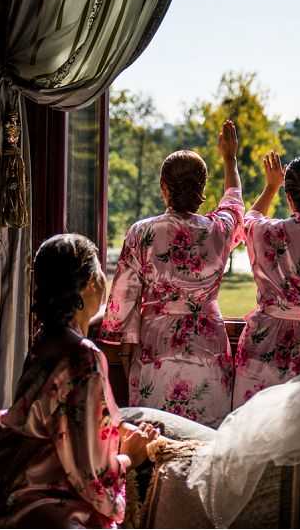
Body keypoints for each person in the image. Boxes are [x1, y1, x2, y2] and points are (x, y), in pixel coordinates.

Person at [0, 234, 158, 529]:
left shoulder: (45, 342)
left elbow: (54, 419)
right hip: (43, 508)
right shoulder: (83, 357)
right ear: (88, 285)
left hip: (4, 494)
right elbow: (91, 475)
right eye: (99, 273)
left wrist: (117, 427)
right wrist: (128, 458)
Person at [99, 120, 243, 427]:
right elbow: (234, 203)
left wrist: (120, 334)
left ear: (164, 187)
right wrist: (230, 160)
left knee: (158, 435)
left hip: (158, 345)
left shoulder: (143, 232)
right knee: (205, 439)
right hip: (209, 346)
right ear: (202, 190)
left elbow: (124, 296)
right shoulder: (219, 230)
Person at [232, 152, 300, 408]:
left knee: (258, 428)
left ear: (288, 196)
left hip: (264, 341)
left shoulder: (266, 232)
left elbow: (249, 218)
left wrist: (271, 186)